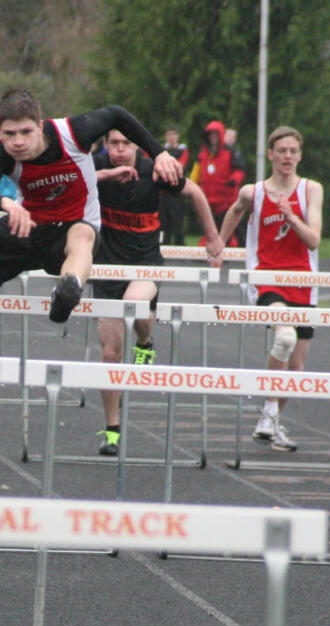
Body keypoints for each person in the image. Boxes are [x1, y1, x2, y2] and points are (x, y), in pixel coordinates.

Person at [0, 88, 181, 323]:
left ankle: (68, 290)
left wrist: (159, 154)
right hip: (27, 227)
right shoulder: (2, 153)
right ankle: (2, 266)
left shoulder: (72, 133)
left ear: (40, 126)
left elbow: (117, 114)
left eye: (26, 132)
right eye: (10, 133)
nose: (18, 141)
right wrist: (9, 205)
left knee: (82, 236)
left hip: (72, 231)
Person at [92, 128, 222, 455]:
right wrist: (103, 174)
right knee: (109, 352)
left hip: (145, 264)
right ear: (105, 146)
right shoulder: (96, 167)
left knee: (135, 304)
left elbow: (195, 193)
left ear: (137, 147)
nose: (120, 150)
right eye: (114, 144)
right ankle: (112, 430)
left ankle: (146, 340)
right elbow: (65, 181)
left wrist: (214, 240)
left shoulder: (154, 171)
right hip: (106, 268)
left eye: (126, 144)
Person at [216, 126, 323, 453]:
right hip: (267, 277)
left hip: (303, 281)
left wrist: (291, 217)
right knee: (285, 337)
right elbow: (235, 210)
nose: (288, 156)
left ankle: (271, 417)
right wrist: (218, 246)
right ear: (271, 155)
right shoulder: (254, 192)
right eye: (282, 151)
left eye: (293, 151)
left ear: (300, 155)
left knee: (297, 368)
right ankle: (268, 417)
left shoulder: (311, 190)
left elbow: (314, 240)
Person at [189, 120, 247, 246]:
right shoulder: (202, 154)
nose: (213, 138)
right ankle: (207, 253)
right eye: (211, 135)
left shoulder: (231, 152)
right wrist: (191, 186)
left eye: (216, 135)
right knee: (208, 231)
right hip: (207, 202)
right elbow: (196, 172)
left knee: (235, 231)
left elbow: (240, 170)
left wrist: (234, 180)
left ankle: (240, 254)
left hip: (227, 202)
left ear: (221, 135)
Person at [157, 126, 190, 246]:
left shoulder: (183, 150)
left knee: (178, 219)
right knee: (163, 220)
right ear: (166, 136)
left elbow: (181, 166)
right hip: (163, 191)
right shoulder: (161, 149)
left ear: (177, 136)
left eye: (173, 134)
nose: (171, 137)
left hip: (177, 191)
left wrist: (167, 167)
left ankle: (179, 243)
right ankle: (163, 243)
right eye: (169, 134)